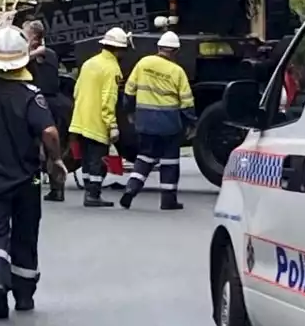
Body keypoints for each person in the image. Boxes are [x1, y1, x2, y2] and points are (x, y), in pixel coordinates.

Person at [0, 26, 66, 319]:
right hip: (27, 179)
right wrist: (55, 162)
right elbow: (49, 132)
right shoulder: (31, 95)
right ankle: (24, 295)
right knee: (25, 234)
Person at [119, 31, 195, 210]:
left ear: (159, 48)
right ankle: (168, 200)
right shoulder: (177, 71)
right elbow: (187, 101)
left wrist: (129, 111)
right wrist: (192, 123)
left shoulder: (143, 63)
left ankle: (131, 188)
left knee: (145, 156)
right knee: (170, 160)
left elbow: (129, 90)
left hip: (145, 119)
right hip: (168, 121)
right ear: (175, 51)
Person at [69, 27, 129, 207]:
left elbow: (76, 90)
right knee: (98, 159)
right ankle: (93, 195)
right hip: (97, 122)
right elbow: (109, 99)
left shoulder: (89, 63)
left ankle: (88, 190)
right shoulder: (112, 69)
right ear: (118, 49)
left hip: (80, 119)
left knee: (87, 158)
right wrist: (112, 125)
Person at [24, 19, 69, 202]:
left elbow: (24, 58)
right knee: (50, 151)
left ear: (34, 37)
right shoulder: (47, 53)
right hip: (53, 103)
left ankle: (37, 186)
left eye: (25, 34)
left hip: (44, 103)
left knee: (38, 150)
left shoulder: (40, 53)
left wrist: (27, 46)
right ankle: (55, 189)